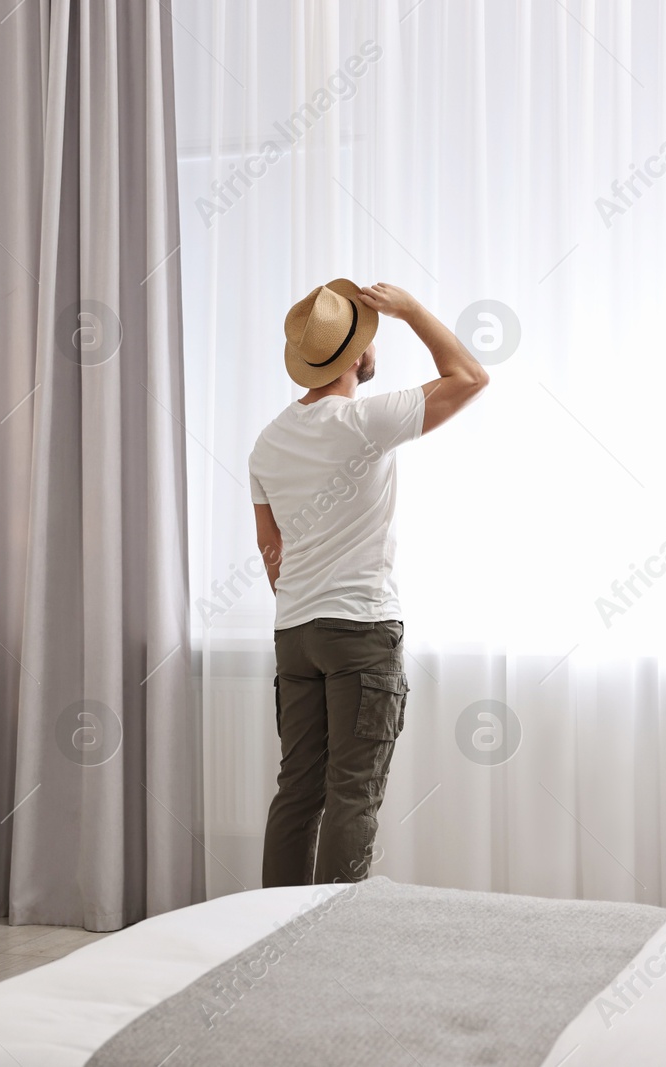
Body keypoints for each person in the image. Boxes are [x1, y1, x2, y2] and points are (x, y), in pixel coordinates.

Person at [248, 279, 490, 886]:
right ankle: (335, 942)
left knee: (298, 792)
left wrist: (303, 599)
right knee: (353, 793)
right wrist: (408, 310)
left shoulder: (268, 440)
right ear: (358, 357)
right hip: (358, 631)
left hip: (295, 633)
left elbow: (268, 546)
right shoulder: (362, 420)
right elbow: (470, 377)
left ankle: (265, 937)